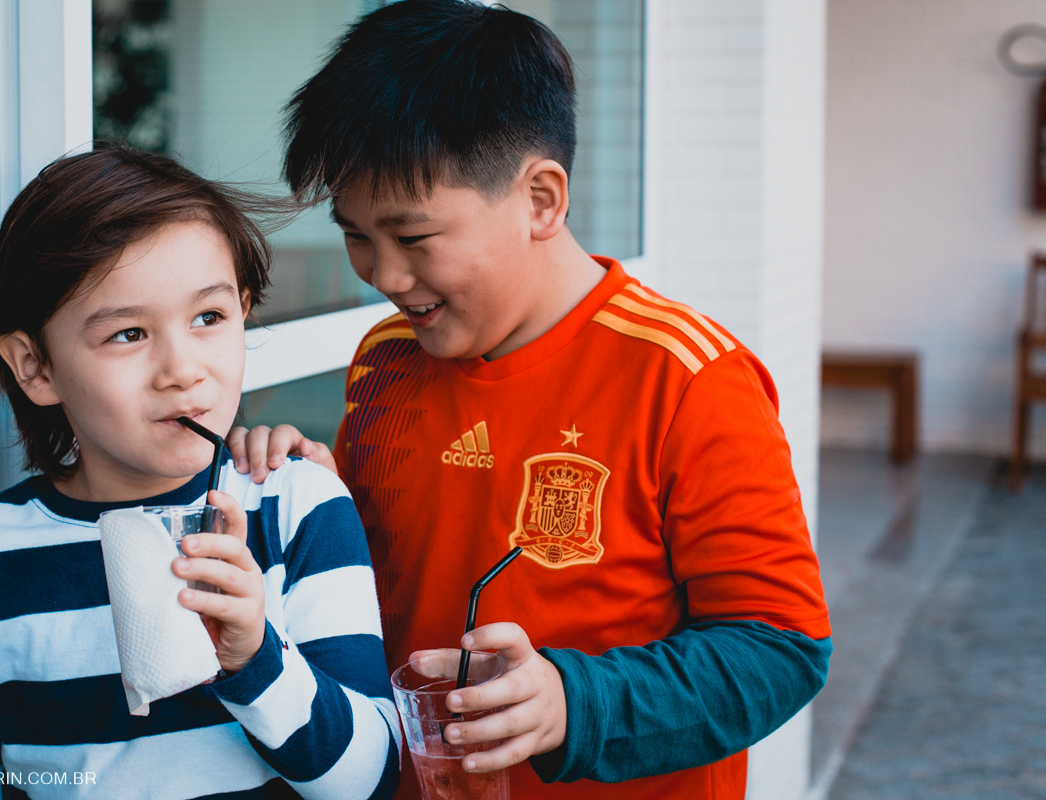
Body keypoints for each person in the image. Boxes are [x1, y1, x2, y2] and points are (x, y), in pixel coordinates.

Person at [232, 1, 832, 798]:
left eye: (412, 239)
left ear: (542, 200)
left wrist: (568, 705)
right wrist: (310, 493)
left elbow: (780, 647)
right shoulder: (385, 361)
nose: (380, 274)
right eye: (357, 235)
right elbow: (380, 575)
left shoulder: (687, 380)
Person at [0, 148, 400, 800]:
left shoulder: (296, 504)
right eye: (129, 334)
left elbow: (368, 783)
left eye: (209, 318)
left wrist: (253, 655)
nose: (183, 369)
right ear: (35, 367)